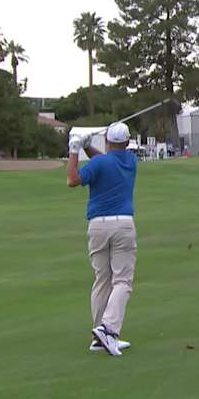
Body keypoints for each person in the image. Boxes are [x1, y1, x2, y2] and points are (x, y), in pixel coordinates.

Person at [67, 123, 137, 356]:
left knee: (102, 279)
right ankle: (107, 329)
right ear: (127, 143)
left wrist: (76, 149)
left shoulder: (99, 163)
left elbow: (73, 178)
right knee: (122, 281)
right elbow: (74, 179)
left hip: (97, 226)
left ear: (106, 140)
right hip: (123, 225)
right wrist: (84, 148)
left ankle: (100, 335)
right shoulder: (130, 161)